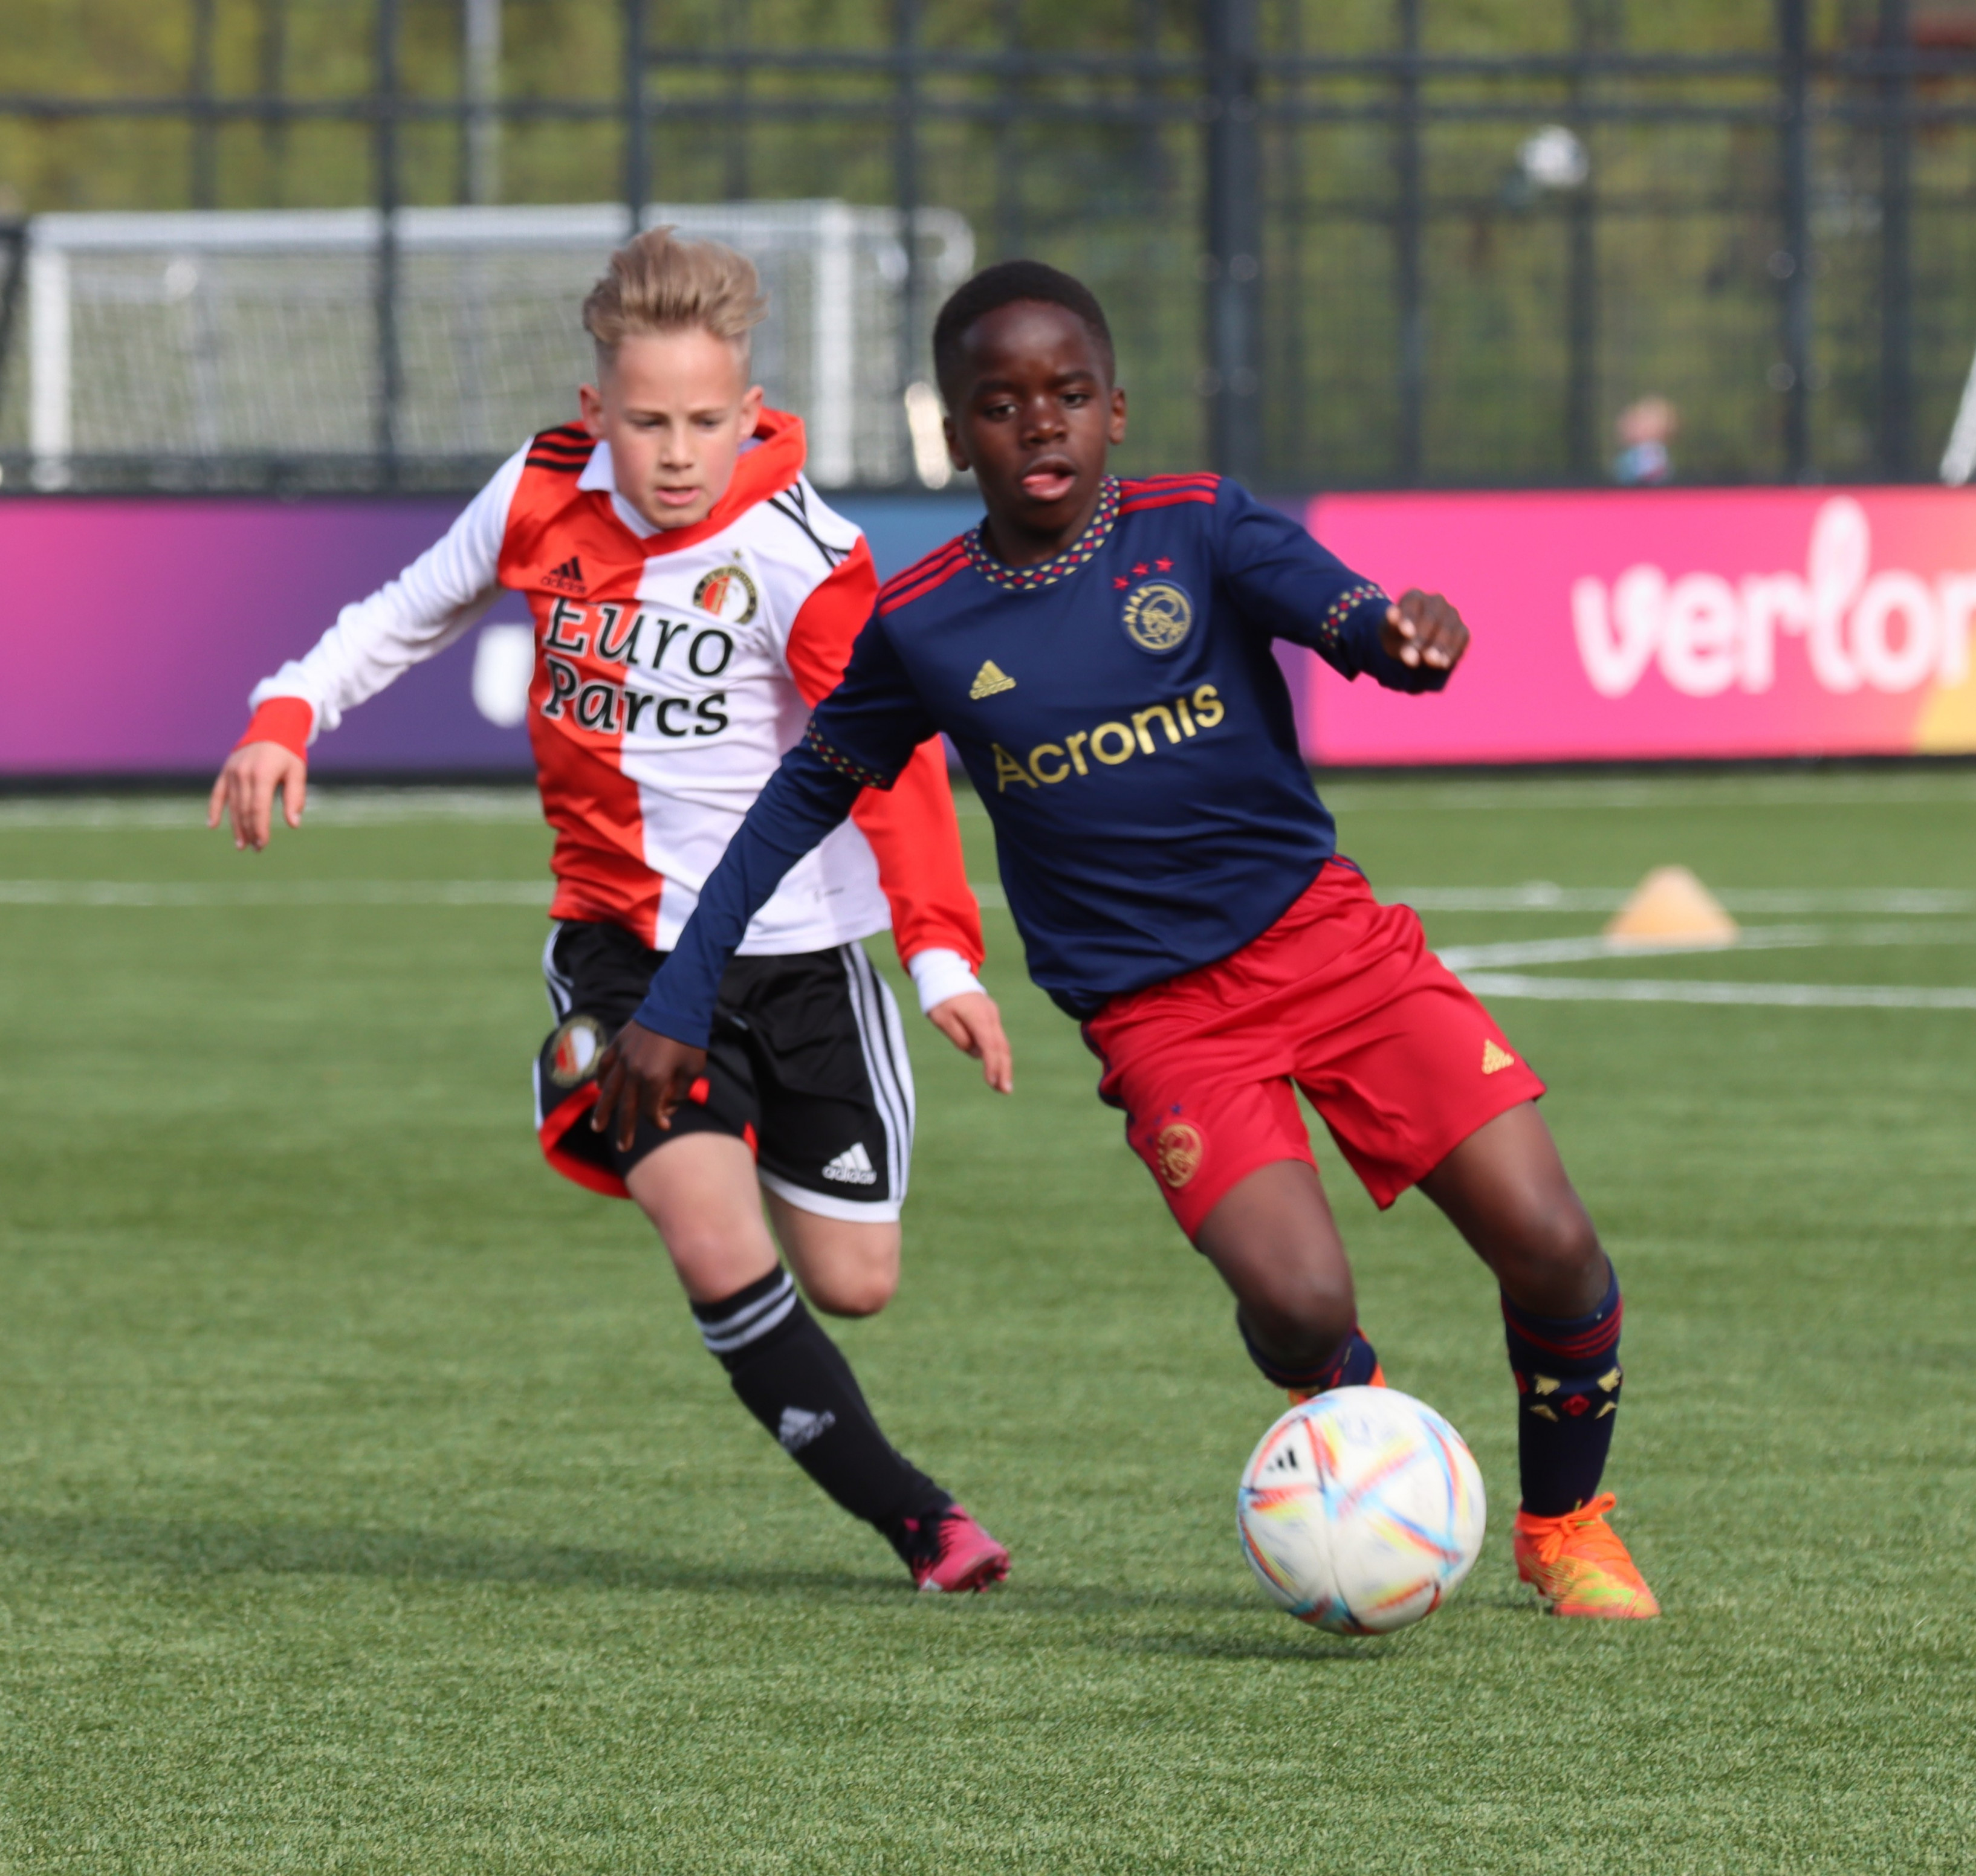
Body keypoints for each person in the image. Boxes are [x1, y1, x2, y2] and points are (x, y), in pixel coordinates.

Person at [593, 260, 1659, 1620]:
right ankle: (1363, 1451)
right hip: (1166, 1023)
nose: (1040, 424)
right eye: (1001, 403)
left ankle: (1565, 1524)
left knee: (1553, 1243)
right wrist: (680, 992)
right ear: (955, 430)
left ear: (1117, 411)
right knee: (1301, 1306)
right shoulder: (921, 623)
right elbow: (795, 804)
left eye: (1070, 394)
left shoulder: (1200, 529)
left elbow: (1356, 620)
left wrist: (1409, 640)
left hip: (1336, 952)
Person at [207, 227, 1015, 1594]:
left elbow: (896, 768)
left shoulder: (807, 558)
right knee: (711, 1236)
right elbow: (407, 612)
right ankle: (924, 1521)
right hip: (626, 955)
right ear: (599, 413)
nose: (680, 450)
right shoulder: (539, 492)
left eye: (708, 420)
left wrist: (940, 955)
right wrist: (287, 710)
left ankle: (724, 1117)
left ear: (752, 410)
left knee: (858, 1281)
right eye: (648, 421)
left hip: (804, 958)